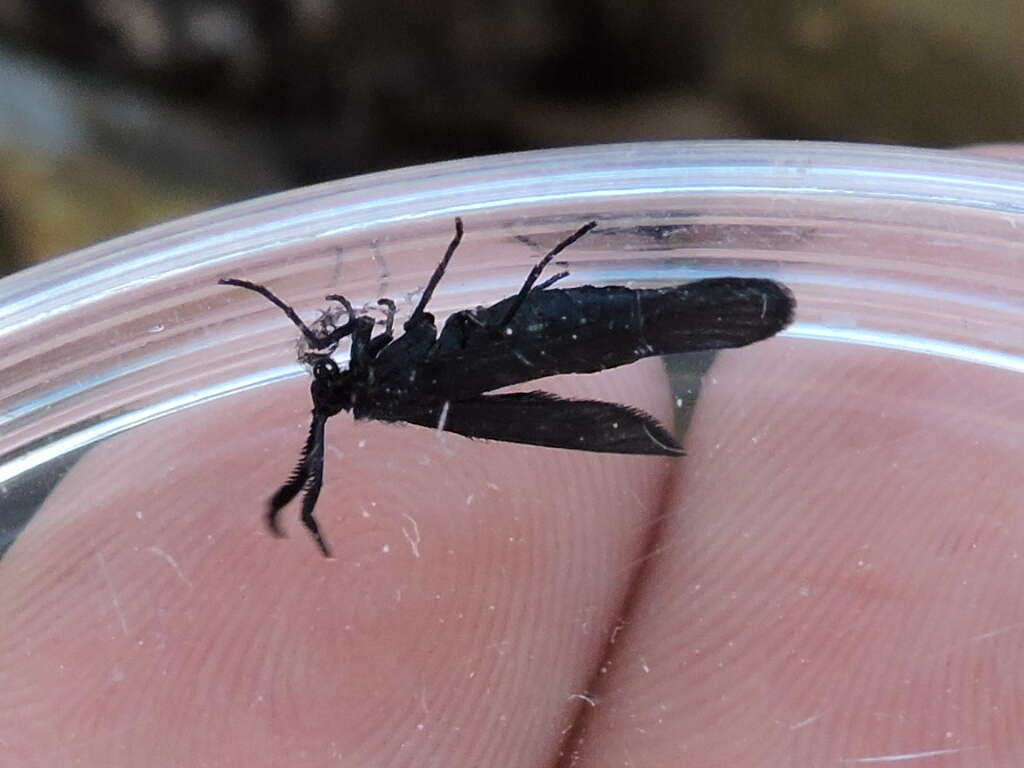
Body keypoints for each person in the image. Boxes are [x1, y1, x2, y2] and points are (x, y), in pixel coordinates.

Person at [2, 147, 1021, 765]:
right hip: (550, 332)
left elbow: (418, 309)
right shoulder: (386, 386)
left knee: (634, 328)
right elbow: (427, 309)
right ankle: (710, 321)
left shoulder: (381, 389)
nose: (322, 369)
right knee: (633, 329)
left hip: (552, 329)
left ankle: (704, 321)